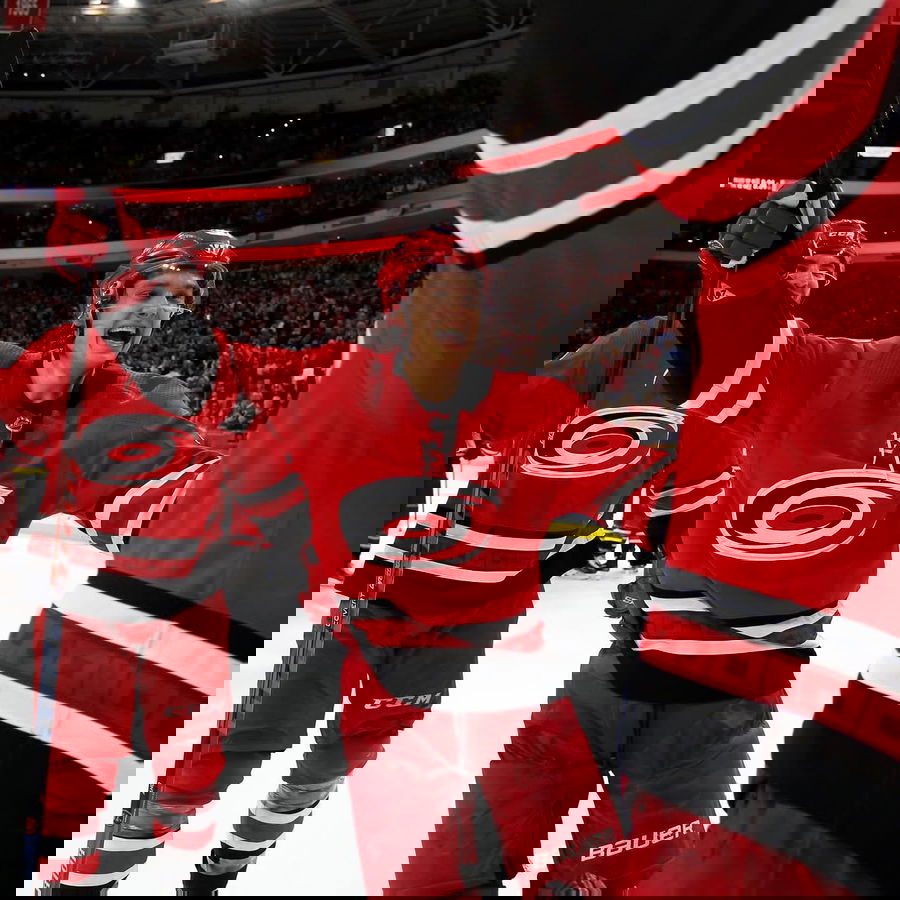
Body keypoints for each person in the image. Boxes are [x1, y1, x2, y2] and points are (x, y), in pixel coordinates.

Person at [32, 0, 900, 894]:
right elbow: (470, 410)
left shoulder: (754, 406)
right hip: (391, 585)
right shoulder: (633, 353)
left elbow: (709, 494)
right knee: (235, 743)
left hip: (480, 619)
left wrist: (620, 547)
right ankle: (90, 878)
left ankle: (214, 874)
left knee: (328, 765)